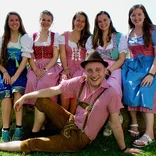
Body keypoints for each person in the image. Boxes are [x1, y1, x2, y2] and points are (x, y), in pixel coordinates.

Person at [0, 51, 143, 155]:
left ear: (105, 70)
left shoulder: (111, 93)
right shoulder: (79, 82)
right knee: (42, 100)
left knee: (33, 145)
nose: (94, 74)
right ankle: (35, 132)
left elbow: (116, 124)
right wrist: (25, 97)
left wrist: (124, 149)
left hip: (79, 139)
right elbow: (53, 90)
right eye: (90, 71)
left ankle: (3, 146)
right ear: (85, 71)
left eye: (98, 70)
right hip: (72, 122)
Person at [85, 11, 128, 136]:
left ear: (110, 20)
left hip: (114, 68)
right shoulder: (92, 38)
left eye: (105, 20)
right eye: (100, 21)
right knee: (90, 87)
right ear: (96, 24)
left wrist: (108, 70)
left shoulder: (119, 37)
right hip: (96, 68)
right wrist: (97, 71)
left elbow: (121, 59)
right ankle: (91, 121)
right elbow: (89, 58)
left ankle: (113, 119)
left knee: (112, 87)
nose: (103, 23)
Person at [122, 4, 156, 147]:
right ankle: (134, 122)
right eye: (133, 15)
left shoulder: (152, 30)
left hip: (150, 66)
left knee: (146, 91)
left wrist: (151, 74)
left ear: (144, 15)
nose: (136, 17)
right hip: (135, 67)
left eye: (139, 14)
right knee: (128, 87)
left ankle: (149, 133)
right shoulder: (129, 33)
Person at [24, 10, 62, 136]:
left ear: (51, 22)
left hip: (50, 66)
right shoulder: (32, 36)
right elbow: (30, 55)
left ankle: (41, 122)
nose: (45, 22)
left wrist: (45, 70)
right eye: (43, 19)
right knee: (31, 79)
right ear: (39, 20)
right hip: (35, 65)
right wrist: (35, 69)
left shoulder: (55, 36)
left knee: (46, 81)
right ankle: (41, 122)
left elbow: (55, 56)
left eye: (48, 20)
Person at [0, 11, 33, 142]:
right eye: (11, 20)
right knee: (6, 94)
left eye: (16, 20)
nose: (14, 23)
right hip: (5, 71)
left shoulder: (24, 38)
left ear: (20, 22)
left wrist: (16, 75)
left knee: (17, 92)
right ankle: (6, 128)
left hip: (19, 70)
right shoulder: (3, 39)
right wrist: (5, 72)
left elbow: (25, 60)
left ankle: (19, 128)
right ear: (7, 23)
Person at [59, 11, 91, 114]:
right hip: (67, 67)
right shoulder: (64, 35)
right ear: (73, 21)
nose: (80, 23)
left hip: (81, 69)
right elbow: (62, 55)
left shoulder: (88, 38)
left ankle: (72, 121)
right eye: (78, 20)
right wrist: (65, 69)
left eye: (83, 21)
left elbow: (89, 56)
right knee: (64, 90)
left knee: (77, 93)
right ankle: (63, 120)